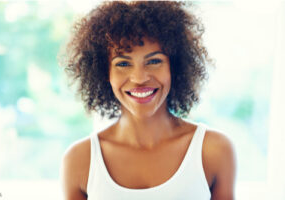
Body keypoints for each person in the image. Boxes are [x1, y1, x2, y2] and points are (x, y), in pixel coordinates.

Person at [59, 1, 236, 200]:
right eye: (123, 63)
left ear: (174, 67)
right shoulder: (80, 160)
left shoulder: (213, 151)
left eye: (154, 61)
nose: (139, 78)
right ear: (104, 72)